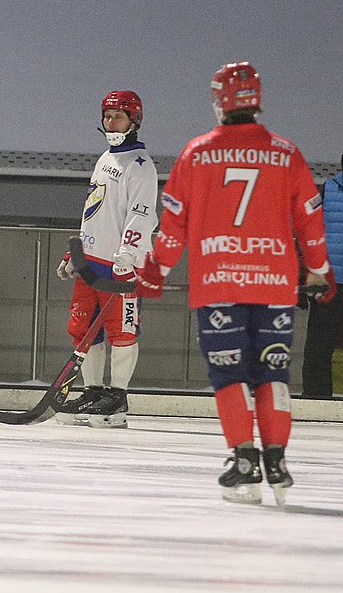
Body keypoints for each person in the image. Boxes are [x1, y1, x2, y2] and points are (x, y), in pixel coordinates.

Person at [134, 62, 333, 505]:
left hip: (219, 282)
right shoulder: (287, 152)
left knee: (229, 375)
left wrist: (155, 270)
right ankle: (277, 461)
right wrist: (318, 269)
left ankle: (244, 461)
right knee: (272, 373)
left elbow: (173, 226)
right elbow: (310, 220)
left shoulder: (197, 152)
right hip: (275, 283)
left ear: (219, 101)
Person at [53, 91, 159, 428]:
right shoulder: (104, 159)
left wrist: (129, 252)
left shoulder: (140, 166)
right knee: (85, 330)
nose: (111, 122)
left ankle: (117, 398)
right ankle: (94, 392)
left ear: (134, 121)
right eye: (107, 115)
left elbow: (142, 214)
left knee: (122, 331)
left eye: (118, 116)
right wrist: (76, 253)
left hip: (121, 265)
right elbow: (93, 211)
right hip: (91, 262)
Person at [298, 155, 343, 399]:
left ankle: (317, 401)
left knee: (319, 347)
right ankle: (317, 399)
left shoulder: (326, 191)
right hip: (328, 283)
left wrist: (302, 278)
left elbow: (306, 233)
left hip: (328, 282)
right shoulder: (325, 190)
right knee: (319, 347)